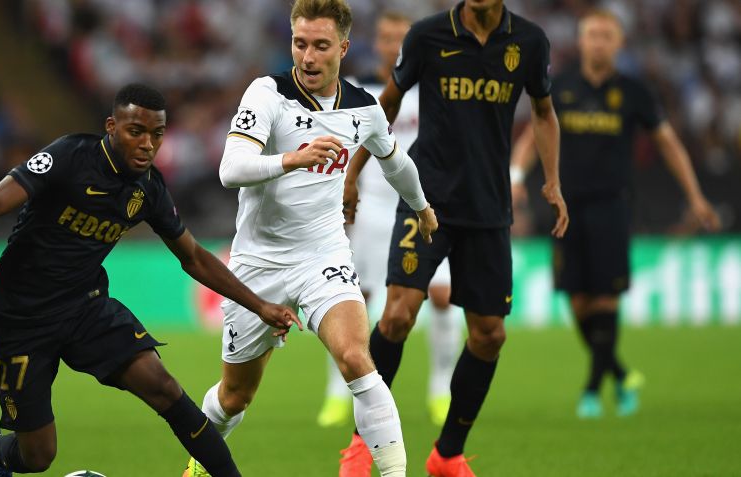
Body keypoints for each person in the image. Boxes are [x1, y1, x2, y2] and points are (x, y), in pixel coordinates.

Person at [0, 84, 302, 477]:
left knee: (164, 387)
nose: (147, 144)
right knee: (38, 455)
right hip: (21, 317)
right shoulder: (69, 157)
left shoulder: (149, 188)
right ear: (112, 127)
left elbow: (194, 257)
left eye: (157, 134)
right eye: (136, 131)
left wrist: (260, 306)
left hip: (85, 307)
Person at [183, 1, 437, 476]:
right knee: (235, 396)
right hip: (258, 264)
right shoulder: (267, 94)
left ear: (343, 48)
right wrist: (292, 159)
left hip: (323, 254)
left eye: (321, 46)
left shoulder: (363, 108)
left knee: (357, 358)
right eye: (300, 44)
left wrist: (422, 207)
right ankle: (199, 462)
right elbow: (230, 170)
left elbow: (395, 161)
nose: (308, 56)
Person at [339, 1, 569, 476]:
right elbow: (388, 103)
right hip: (426, 200)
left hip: (488, 208)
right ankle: (361, 444)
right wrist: (353, 172)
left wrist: (552, 181)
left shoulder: (529, 41)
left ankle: (447, 454)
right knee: (397, 314)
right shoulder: (428, 35)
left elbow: (544, 113)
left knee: (489, 334)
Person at [510, 9, 721, 419]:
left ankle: (592, 389)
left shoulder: (634, 91)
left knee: (605, 296)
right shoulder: (559, 86)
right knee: (577, 300)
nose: (599, 42)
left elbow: (668, 143)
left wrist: (695, 196)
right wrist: (516, 176)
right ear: (581, 40)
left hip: (612, 205)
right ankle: (621, 374)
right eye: (592, 34)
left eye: (607, 35)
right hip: (565, 206)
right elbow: (534, 137)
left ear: (619, 43)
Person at [316, 11, 462, 431]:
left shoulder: (433, 89)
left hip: (422, 207)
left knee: (441, 295)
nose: (393, 45)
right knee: (351, 299)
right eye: (386, 37)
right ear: (376, 43)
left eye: (401, 37)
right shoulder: (356, 90)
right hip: (372, 208)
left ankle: (441, 389)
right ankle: (338, 392)